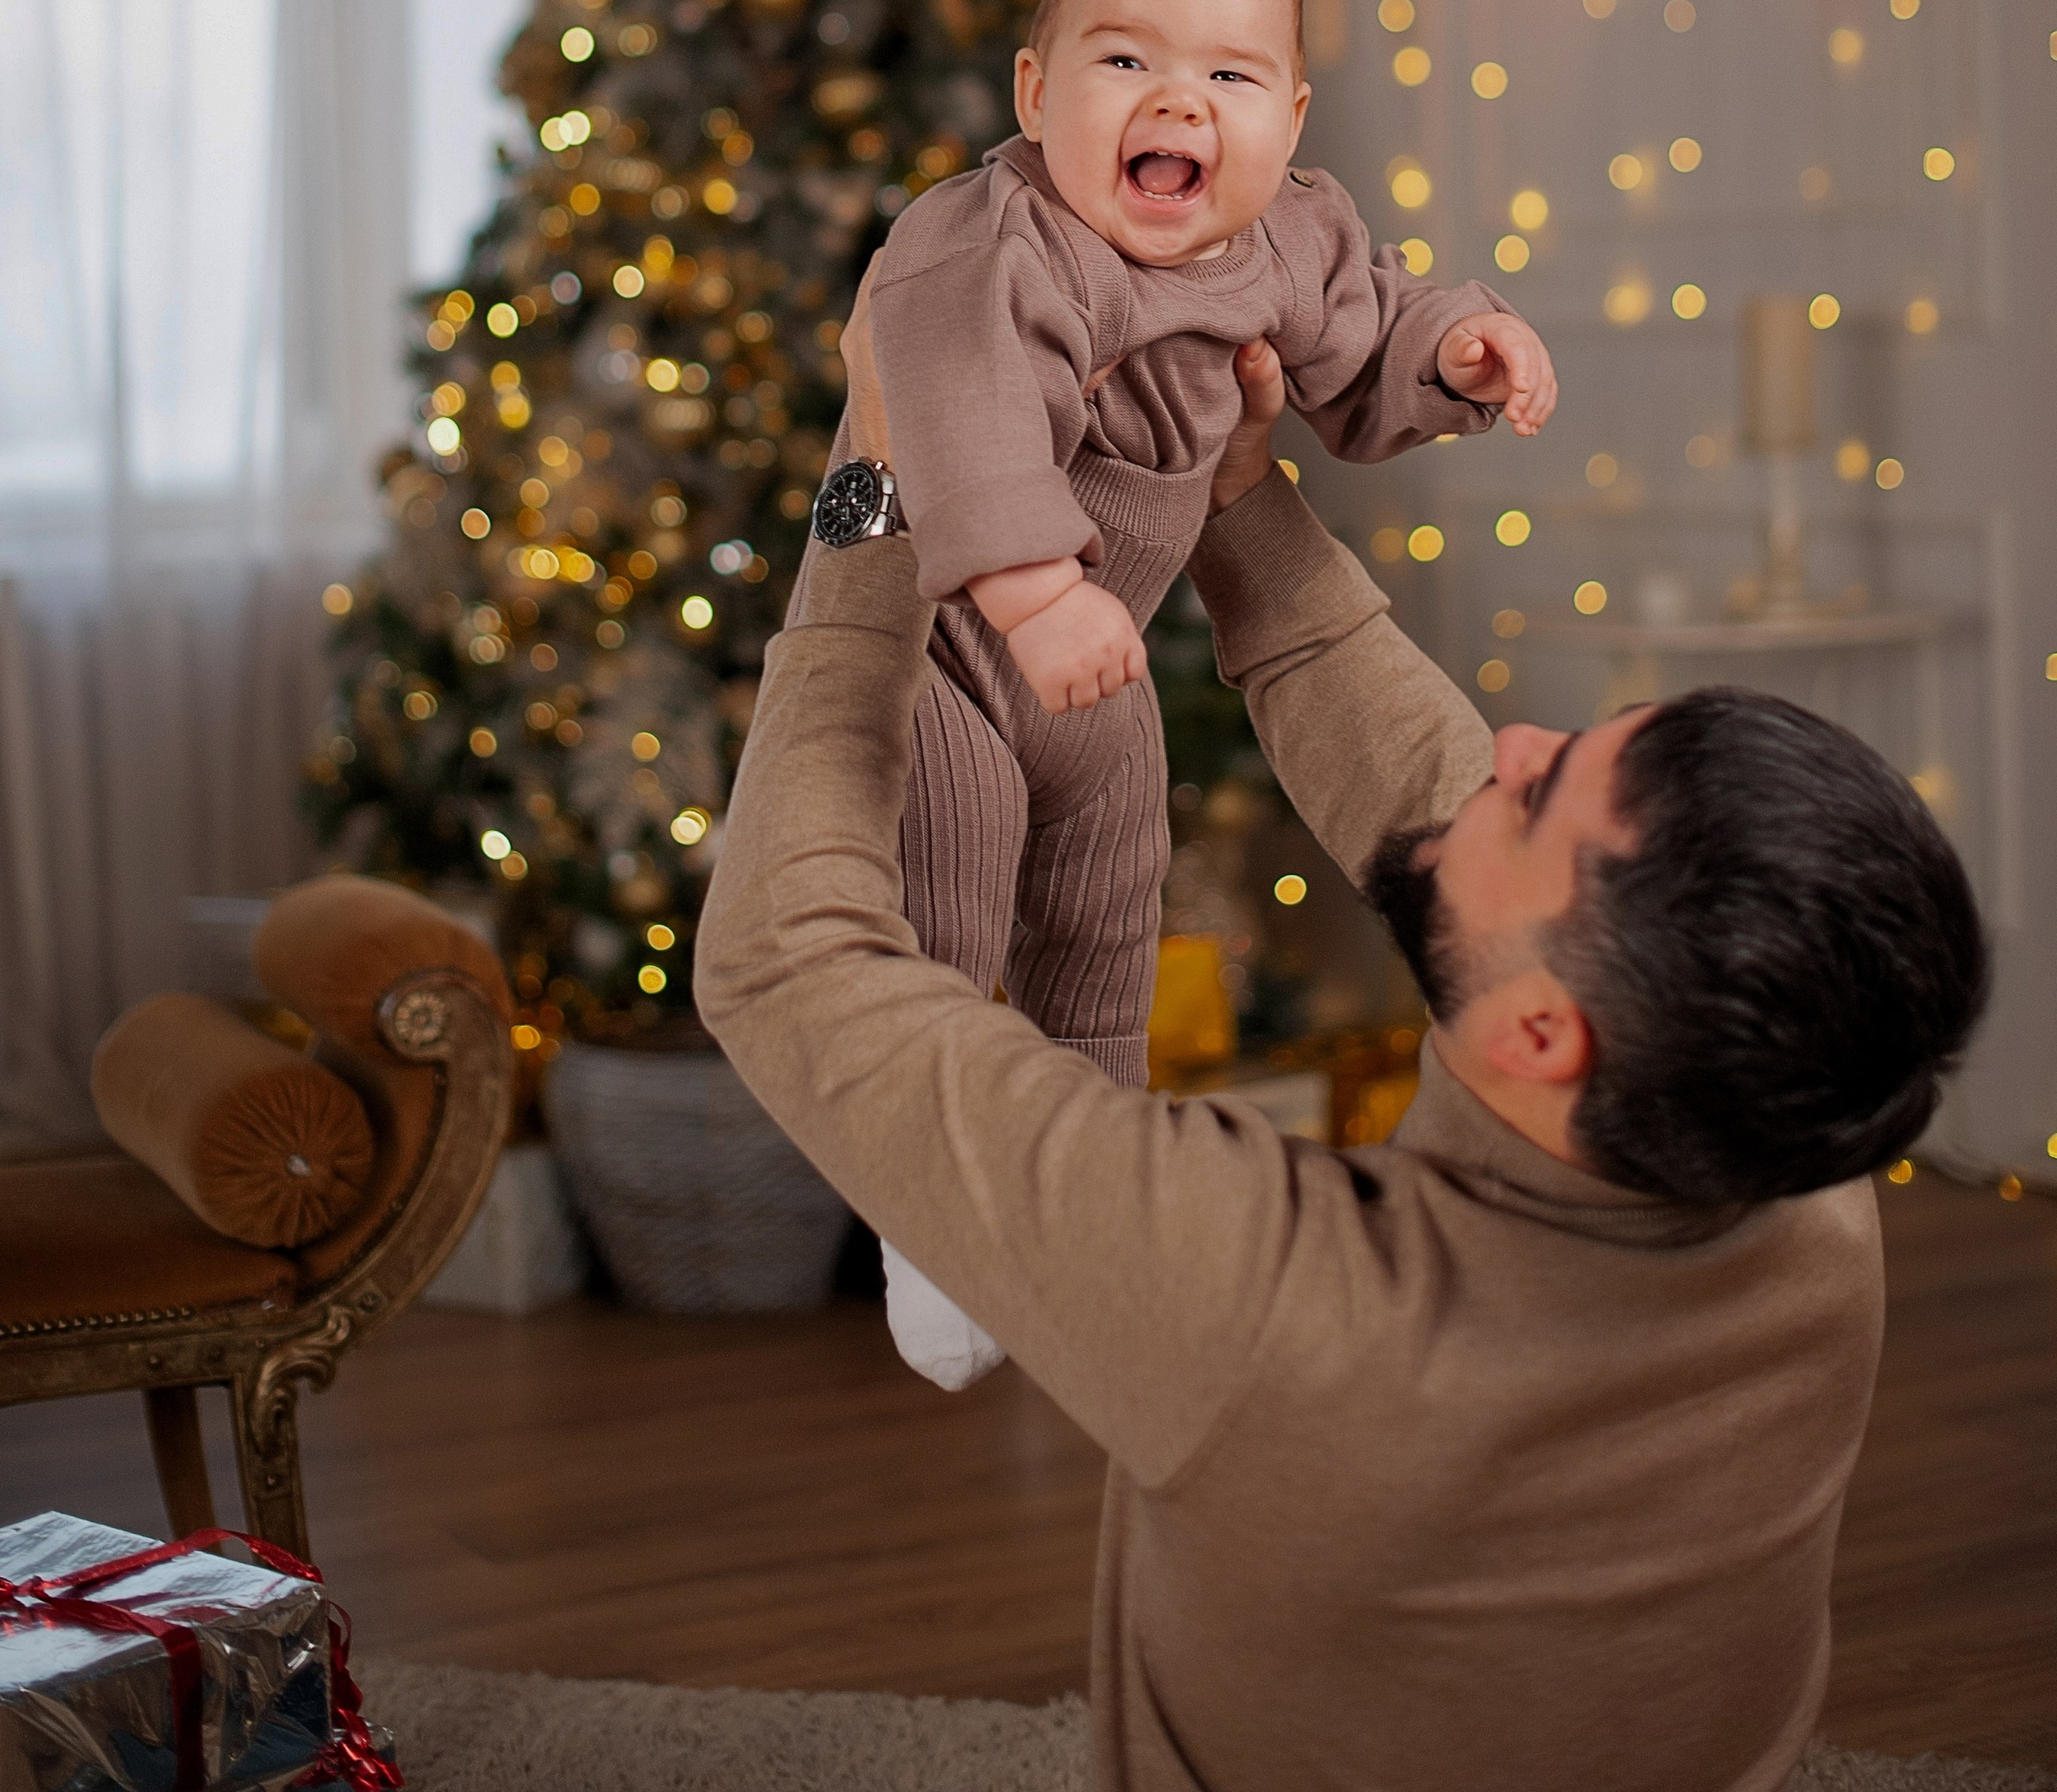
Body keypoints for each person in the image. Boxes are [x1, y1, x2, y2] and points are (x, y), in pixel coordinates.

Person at [694, 314, 1987, 1792]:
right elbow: (1420, 775)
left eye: (1543, 796)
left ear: (1545, 1035)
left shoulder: (1272, 1301)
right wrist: (1242, 489)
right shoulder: (1801, 1164)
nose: (1505, 743)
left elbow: (788, 960)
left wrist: (878, 486)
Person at [804, 0, 1555, 1381]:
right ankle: (935, 1218)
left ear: (1288, 113)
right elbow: (946, 400)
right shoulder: (989, 238)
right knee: (947, 902)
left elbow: (1366, 341)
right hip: (952, 648)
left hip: (1104, 663)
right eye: (1124, 62)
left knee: (1105, 911)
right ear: (1036, 90)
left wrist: (1459, 352)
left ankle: (1088, 1187)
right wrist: (1029, 591)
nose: (1178, 103)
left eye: (1229, 76)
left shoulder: (1292, 236)